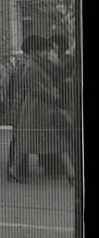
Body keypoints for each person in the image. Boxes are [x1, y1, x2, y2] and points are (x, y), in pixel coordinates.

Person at [10, 35, 73, 184]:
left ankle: (71, 171)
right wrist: (52, 94)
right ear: (34, 51)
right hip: (35, 109)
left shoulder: (38, 64)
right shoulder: (31, 66)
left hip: (41, 108)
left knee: (52, 139)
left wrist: (52, 90)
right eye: (43, 50)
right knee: (36, 140)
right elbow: (35, 88)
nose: (46, 53)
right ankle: (14, 169)